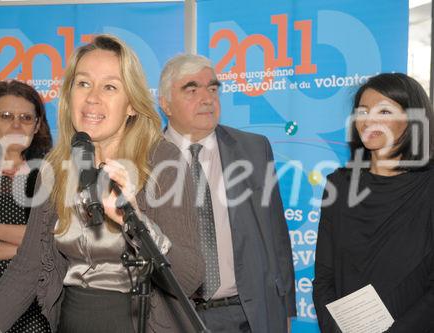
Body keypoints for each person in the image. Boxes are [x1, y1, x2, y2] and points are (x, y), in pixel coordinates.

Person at [0, 34, 204, 333]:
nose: (92, 97)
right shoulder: (54, 168)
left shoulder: (162, 161)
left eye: (109, 86)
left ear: (131, 104)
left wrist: (136, 221)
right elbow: (28, 268)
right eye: (83, 83)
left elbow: (189, 277)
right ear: (69, 95)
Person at [158, 54, 296, 333]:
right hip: (173, 316)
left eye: (212, 88)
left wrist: (286, 310)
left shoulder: (254, 149)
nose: (207, 98)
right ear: (165, 104)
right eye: (192, 89)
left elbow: (277, 236)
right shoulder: (145, 158)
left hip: (246, 313)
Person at [313, 73, 434, 332]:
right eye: (362, 111)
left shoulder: (428, 186)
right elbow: (324, 276)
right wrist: (334, 328)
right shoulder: (340, 184)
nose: (369, 120)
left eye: (385, 111)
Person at [0, 80, 53, 332]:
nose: (16, 124)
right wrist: (32, 246)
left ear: (37, 125)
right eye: (6, 116)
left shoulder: (52, 174)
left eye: (26, 117)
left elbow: (53, 236)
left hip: (38, 294)